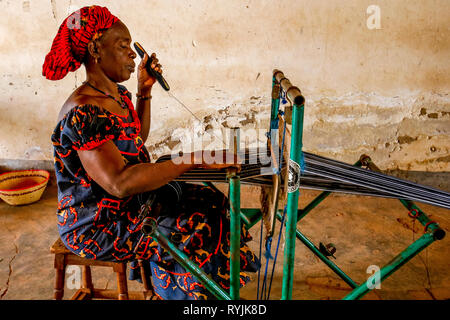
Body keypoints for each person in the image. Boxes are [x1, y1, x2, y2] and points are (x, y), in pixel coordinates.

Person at [43, 5, 260, 300]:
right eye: (123, 46)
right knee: (192, 228)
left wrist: (144, 92)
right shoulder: (83, 111)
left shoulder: (116, 95)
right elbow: (120, 183)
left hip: (130, 206)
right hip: (97, 224)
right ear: (95, 49)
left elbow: (135, 141)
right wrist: (190, 160)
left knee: (211, 202)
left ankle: (207, 291)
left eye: (132, 47)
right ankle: (188, 296)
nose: (133, 54)